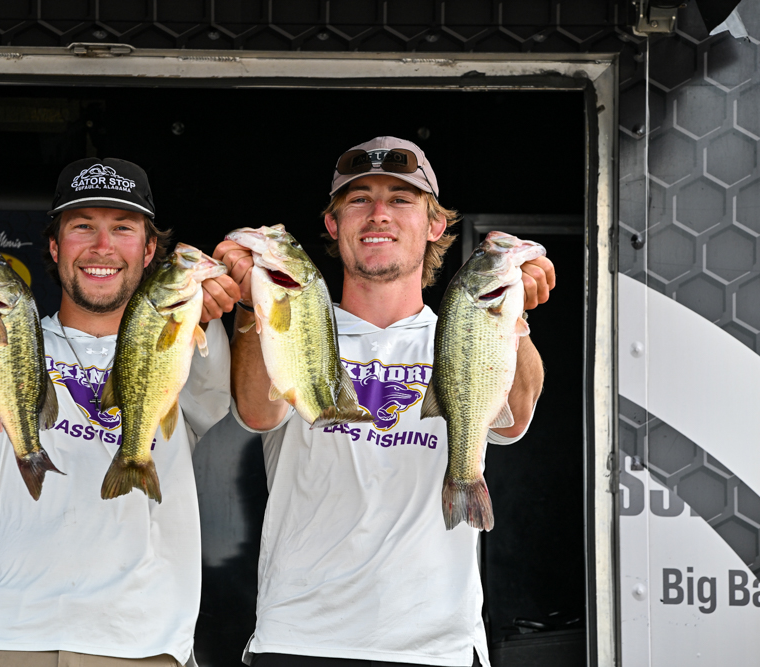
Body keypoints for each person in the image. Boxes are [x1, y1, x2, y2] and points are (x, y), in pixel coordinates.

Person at [213, 137, 555, 667]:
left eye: (400, 199)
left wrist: (514, 315)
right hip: (301, 639)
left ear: (435, 224)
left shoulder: (462, 330)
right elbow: (259, 412)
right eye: (359, 200)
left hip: (436, 645)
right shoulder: (297, 322)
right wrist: (251, 301)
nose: (378, 214)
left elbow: (514, 421)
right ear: (333, 225)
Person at [0, 157, 241, 667]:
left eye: (123, 228)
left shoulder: (184, 339)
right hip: (9, 636)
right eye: (83, 226)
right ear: (54, 246)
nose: (102, 246)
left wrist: (212, 312)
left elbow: (220, 396)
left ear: (150, 250)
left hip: (142, 641)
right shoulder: (10, 333)